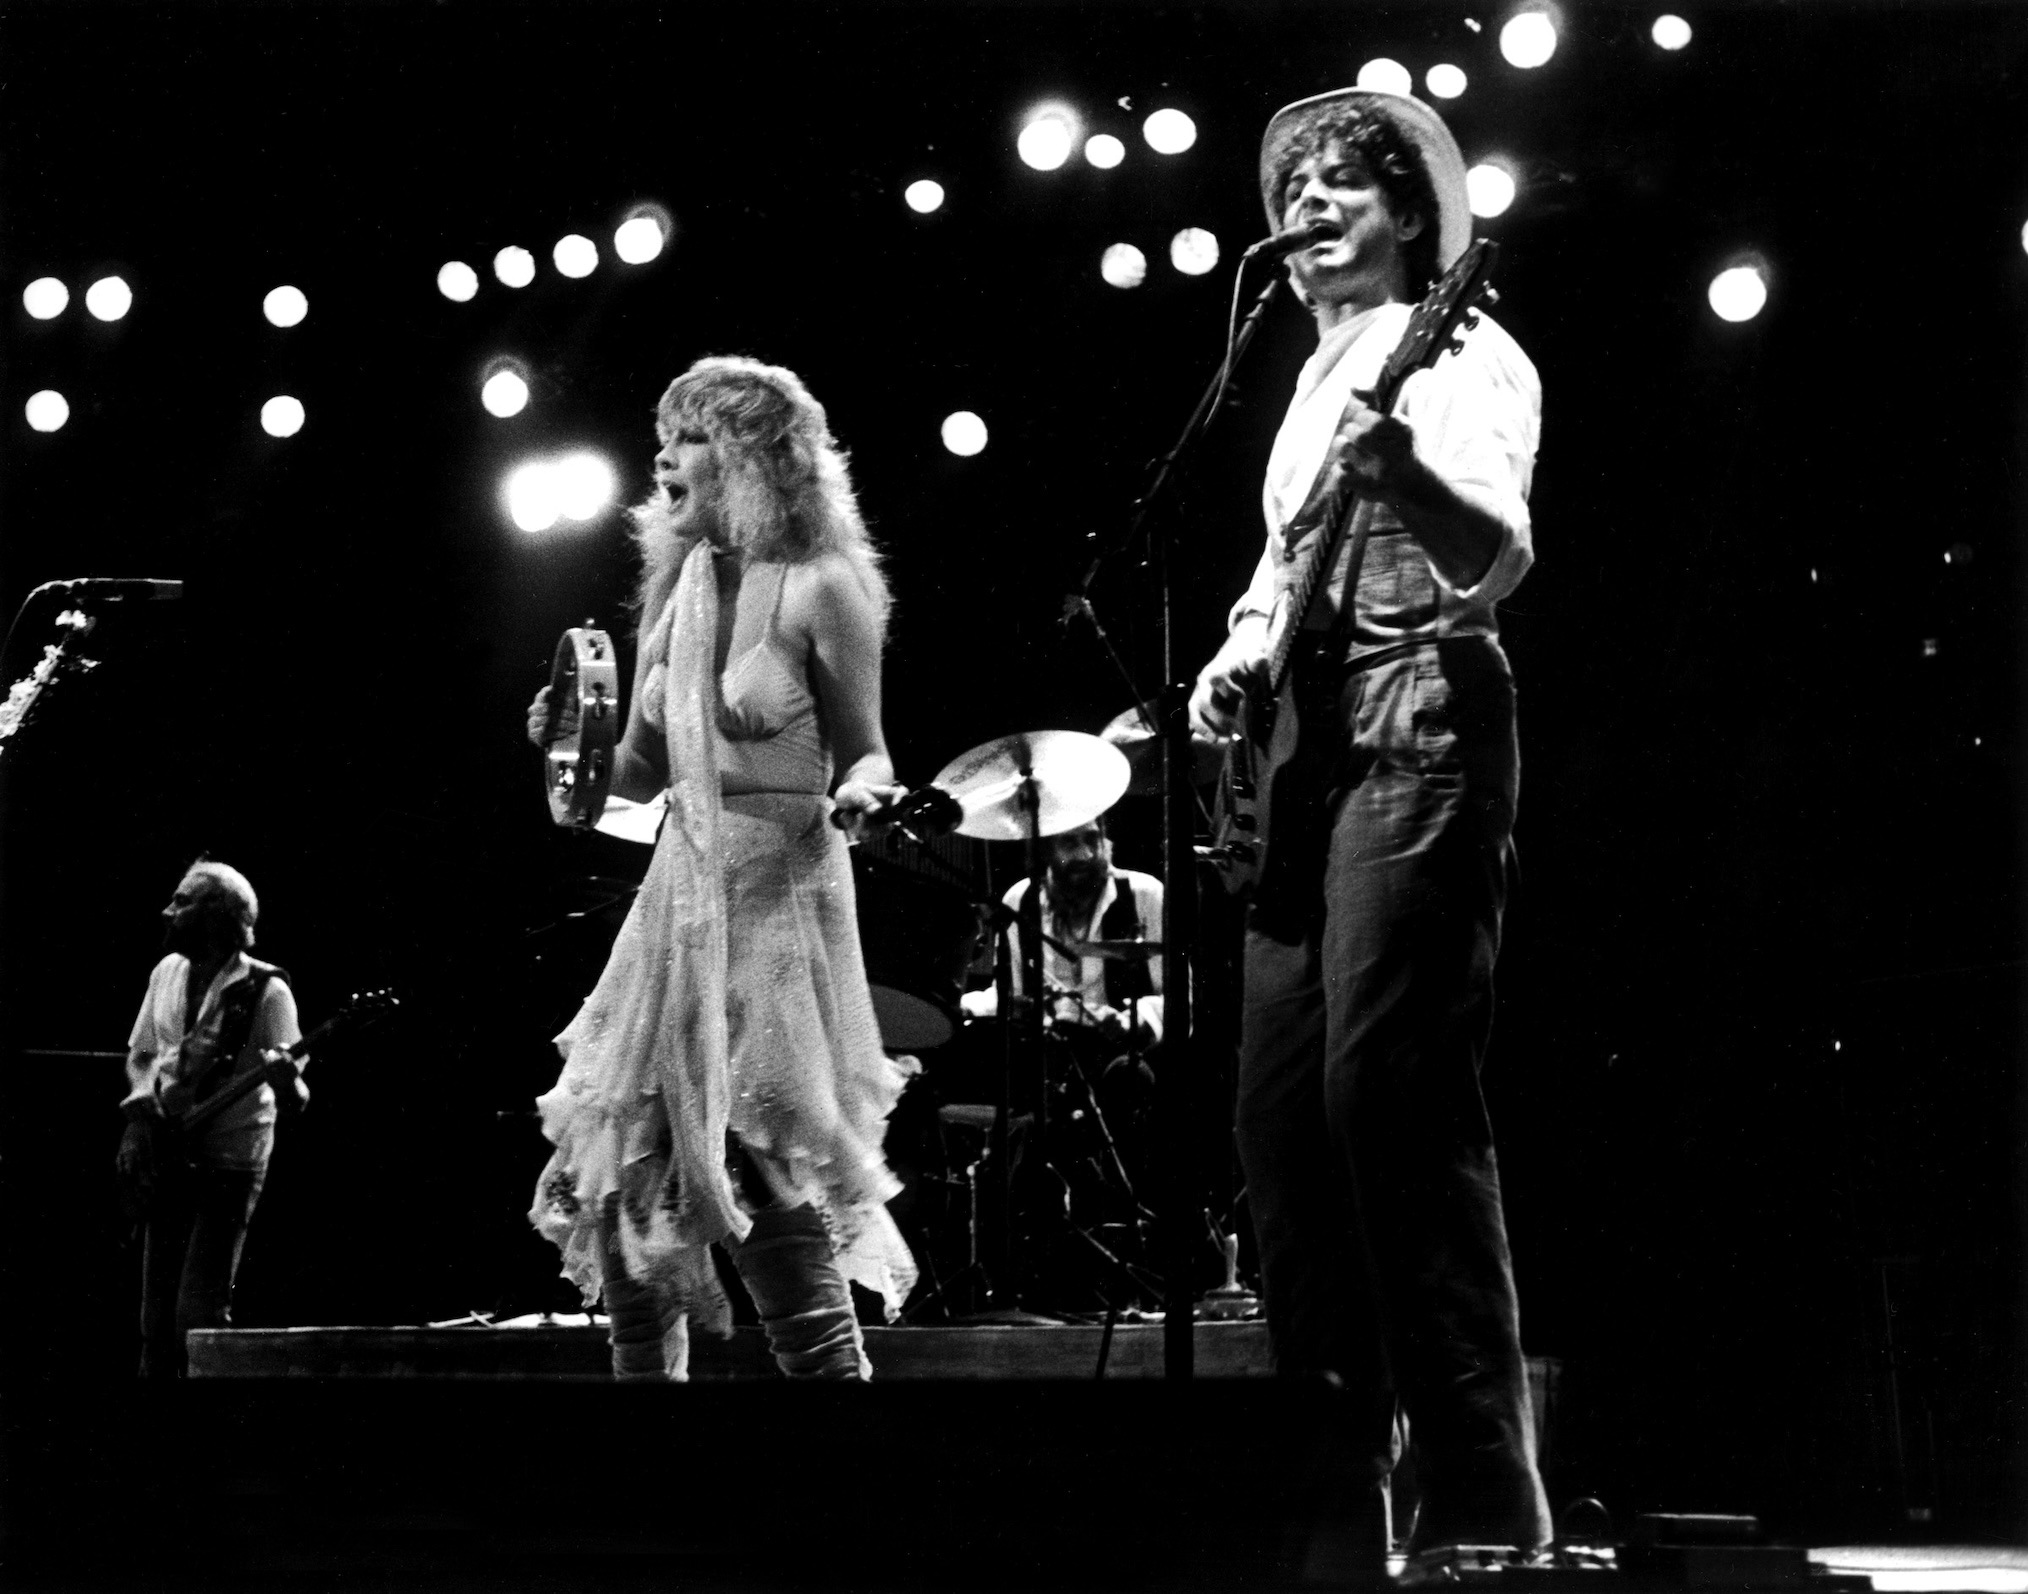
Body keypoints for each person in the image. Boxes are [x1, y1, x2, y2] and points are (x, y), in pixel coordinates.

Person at [1187, 89, 1551, 1563]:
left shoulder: (1467, 351)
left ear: (1409, 217)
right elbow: (1288, 558)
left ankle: (1482, 1499)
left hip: (1423, 723)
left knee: (1386, 1103)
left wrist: (1403, 469)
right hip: (1308, 748)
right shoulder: (1304, 374)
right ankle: (1329, 1489)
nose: (1315, 202)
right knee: (1276, 1125)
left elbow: (1496, 551)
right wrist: (1239, 645)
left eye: (1349, 182)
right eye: (1302, 184)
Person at [525, 354, 918, 1382]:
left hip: (779, 888)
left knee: (765, 1158)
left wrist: (869, 791)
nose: (666, 453)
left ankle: (842, 1420)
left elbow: (867, 744)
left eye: (693, 434)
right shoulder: (676, 591)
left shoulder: (823, 583)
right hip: (680, 889)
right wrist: (568, 737)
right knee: (631, 1170)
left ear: (754, 458)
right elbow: (633, 773)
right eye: (666, 431)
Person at [118, 860, 304, 1378]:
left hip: (229, 1162)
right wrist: (140, 1099)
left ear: (219, 915)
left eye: (182, 901)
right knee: (154, 1321)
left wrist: (286, 1079)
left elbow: (297, 1100)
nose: (167, 911)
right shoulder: (166, 973)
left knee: (196, 1319)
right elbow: (141, 1055)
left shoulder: (267, 992)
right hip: (169, 1152)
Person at [958, 813, 1165, 1049]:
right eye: (1069, 843)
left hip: (1122, 1054)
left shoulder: (1144, 894)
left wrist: (1134, 1022)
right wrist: (965, 1007)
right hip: (1047, 1057)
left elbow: (1177, 997)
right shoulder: (1020, 900)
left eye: (1092, 839)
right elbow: (1010, 997)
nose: (1085, 854)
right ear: (1046, 849)